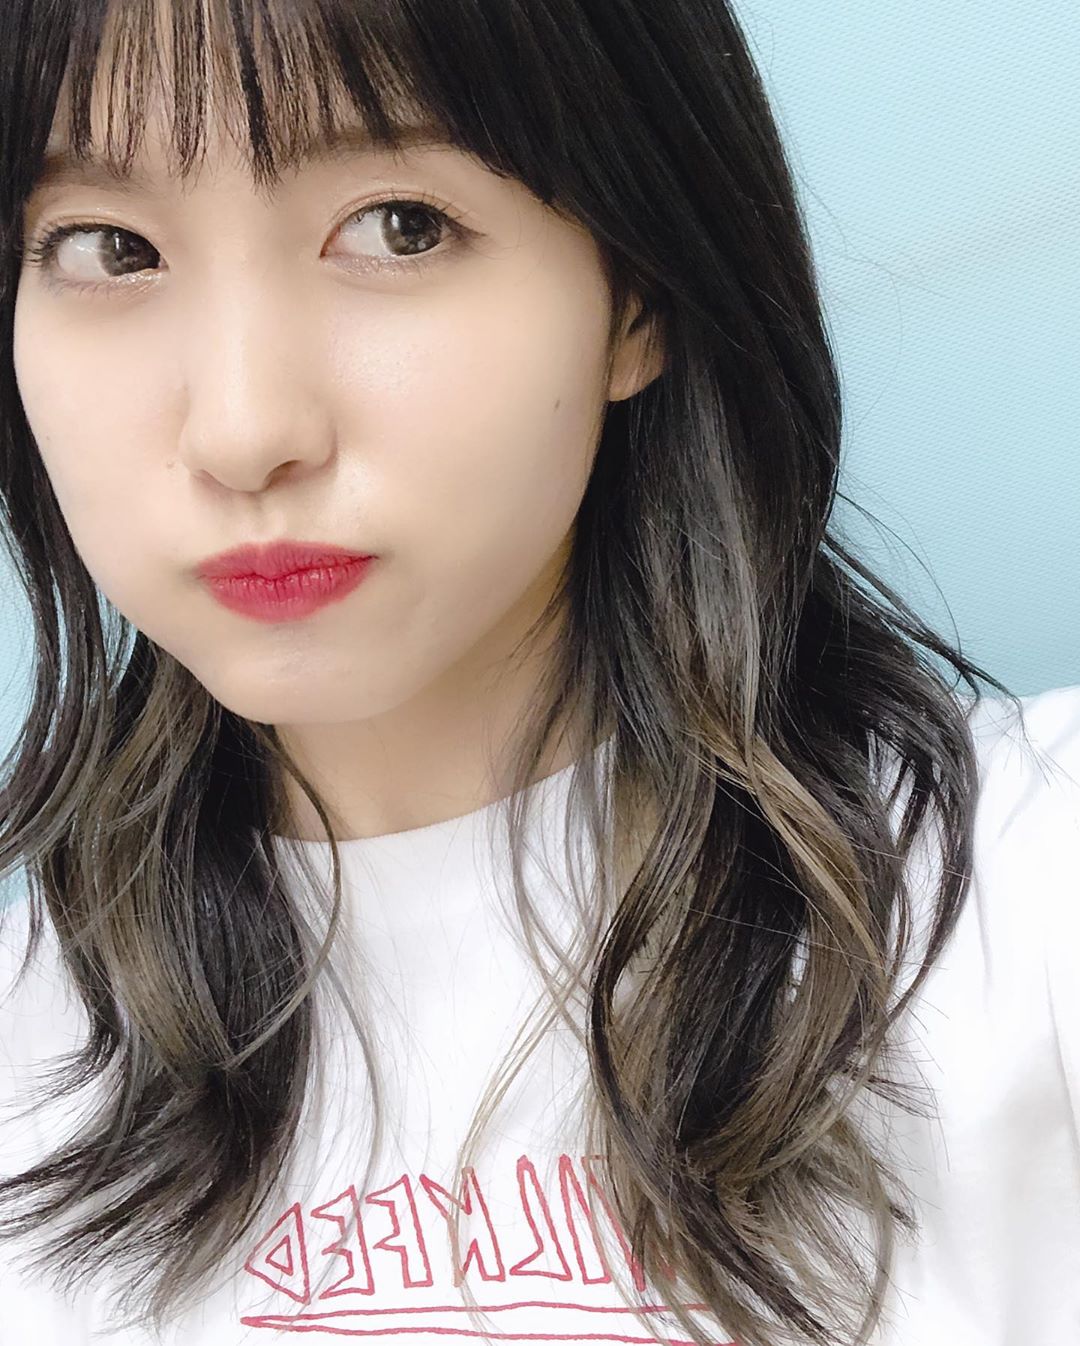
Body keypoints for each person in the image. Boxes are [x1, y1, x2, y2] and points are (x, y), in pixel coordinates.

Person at [0, 1, 1076, 1343]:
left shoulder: (1024, 895)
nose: (243, 429)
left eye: (400, 226)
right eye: (111, 248)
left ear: (637, 292)